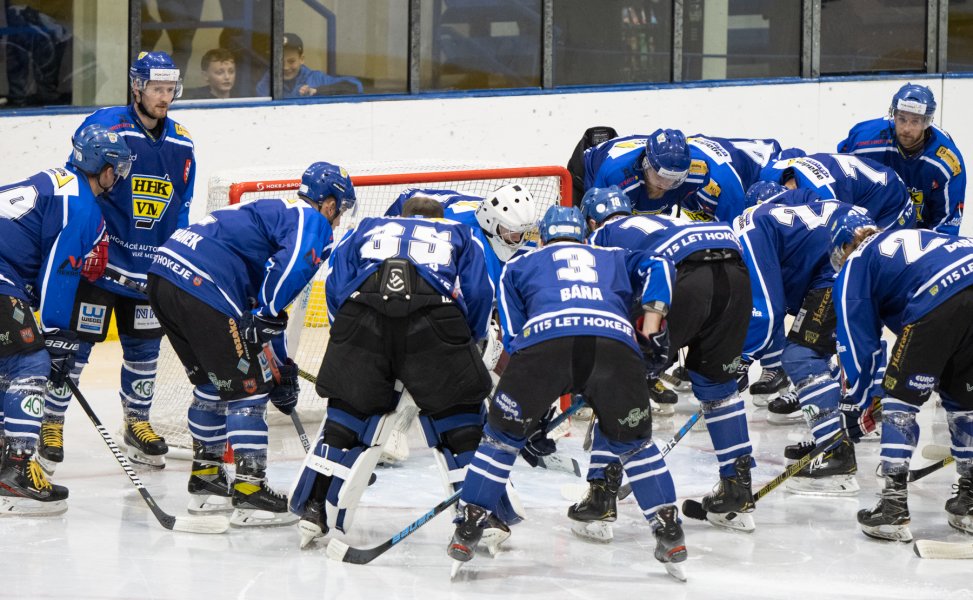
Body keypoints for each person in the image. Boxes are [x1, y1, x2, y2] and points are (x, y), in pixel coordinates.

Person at [448, 205, 687, 581]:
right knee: (637, 446)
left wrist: (531, 407)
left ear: (542, 237)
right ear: (584, 236)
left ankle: (469, 525)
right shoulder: (614, 255)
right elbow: (660, 264)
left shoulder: (520, 264)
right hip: (614, 348)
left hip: (545, 347)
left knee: (499, 443)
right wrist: (652, 322)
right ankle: (669, 530)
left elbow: (512, 337)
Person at [146, 161, 353, 526]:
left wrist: (283, 367)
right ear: (330, 204)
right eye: (339, 212)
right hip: (204, 287)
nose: (336, 222)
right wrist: (270, 316)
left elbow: (261, 317)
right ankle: (249, 491)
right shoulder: (312, 220)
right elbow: (284, 277)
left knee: (213, 385)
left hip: (165, 277)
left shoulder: (270, 213)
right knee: (247, 392)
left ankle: (207, 481)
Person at [290, 196, 498, 549]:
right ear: (438, 217)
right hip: (433, 321)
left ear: (402, 216)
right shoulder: (460, 231)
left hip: (364, 315)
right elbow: (479, 292)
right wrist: (469, 341)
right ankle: (480, 515)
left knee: (347, 415)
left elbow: (336, 284)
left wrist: (347, 334)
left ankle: (314, 509)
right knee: (459, 417)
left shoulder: (367, 226)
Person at [38, 51, 195, 473]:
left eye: (169, 89)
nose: (164, 97)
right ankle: (49, 422)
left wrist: (172, 255)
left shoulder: (182, 142)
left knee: (144, 352)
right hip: (98, 268)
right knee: (74, 351)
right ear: (137, 87)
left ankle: (137, 423)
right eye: (157, 89)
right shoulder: (105, 126)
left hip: (147, 273)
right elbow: (79, 183)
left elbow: (181, 205)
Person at [581, 186, 757, 533]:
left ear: (590, 220)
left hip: (685, 276)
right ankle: (738, 488)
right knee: (718, 387)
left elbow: (609, 308)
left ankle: (601, 493)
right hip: (735, 272)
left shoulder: (600, 237)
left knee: (615, 385)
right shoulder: (656, 221)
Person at [0, 124, 132, 515]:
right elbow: (59, 270)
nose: (118, 177)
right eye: (117, 169)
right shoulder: (82, 205)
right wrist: (56, 335)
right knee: (31, 360)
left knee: (9, 362)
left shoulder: (57, 181)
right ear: (104, 168)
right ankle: (19, 467)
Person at [830, 212, 973, 542]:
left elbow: (857, 343)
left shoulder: (858, 261)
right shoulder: (910, 239)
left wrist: (860, 401)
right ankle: (969, 500)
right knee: (964, 402)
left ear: (843, 248)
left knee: (899, 403)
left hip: (938, 295)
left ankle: (893, 509)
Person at [734, 183, 870, 495]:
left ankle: (836, 452)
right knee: (817, 349)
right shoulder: (794, 211)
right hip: (857, 245)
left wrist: (740, 362)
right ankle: (837, 432)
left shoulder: (748, 225)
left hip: (847, 255)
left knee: (800, 355)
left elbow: (767, 311)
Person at [838, 83, 966, 235]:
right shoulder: (864, 141)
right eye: (902, 119)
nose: (906, 128)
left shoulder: (946, 163)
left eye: (915, 121)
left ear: (926, 122)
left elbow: (946, 226)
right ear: (893, 115)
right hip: (869, 230)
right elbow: (841, 181)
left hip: (918, 237)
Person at [583, 128, 785, 221]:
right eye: (660, 176)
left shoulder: (707, 173)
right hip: (593, 160)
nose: (665, 184)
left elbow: (739, 233)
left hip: (764, 165)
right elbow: (598, 234)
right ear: (646, 164)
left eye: (674, 179)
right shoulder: (615, 176)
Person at [761, 151, 916, 232]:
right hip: (864, 181)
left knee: (868, 255)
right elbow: (793, 152)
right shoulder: (770, 172)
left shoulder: (823, 197)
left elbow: (839, 233)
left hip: (893, 201)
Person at [255, 33, 363, 98]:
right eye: (279, 62)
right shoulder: (264, 84)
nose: (285, 67)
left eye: (291, 61)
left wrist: (316, 91)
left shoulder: (316, 78)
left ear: (302, 59)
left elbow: (356, 86)